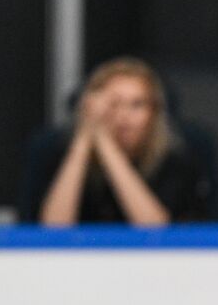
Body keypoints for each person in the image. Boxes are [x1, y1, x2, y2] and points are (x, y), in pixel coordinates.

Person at [33, 57, 208, 226]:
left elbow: (155, 232)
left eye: (137, 104)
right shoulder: (58, 154)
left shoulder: (177, 161)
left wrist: (104, 142)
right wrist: (85, 136)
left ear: (154, 112)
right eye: (113, 104)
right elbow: (54, 230)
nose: (124, 116)